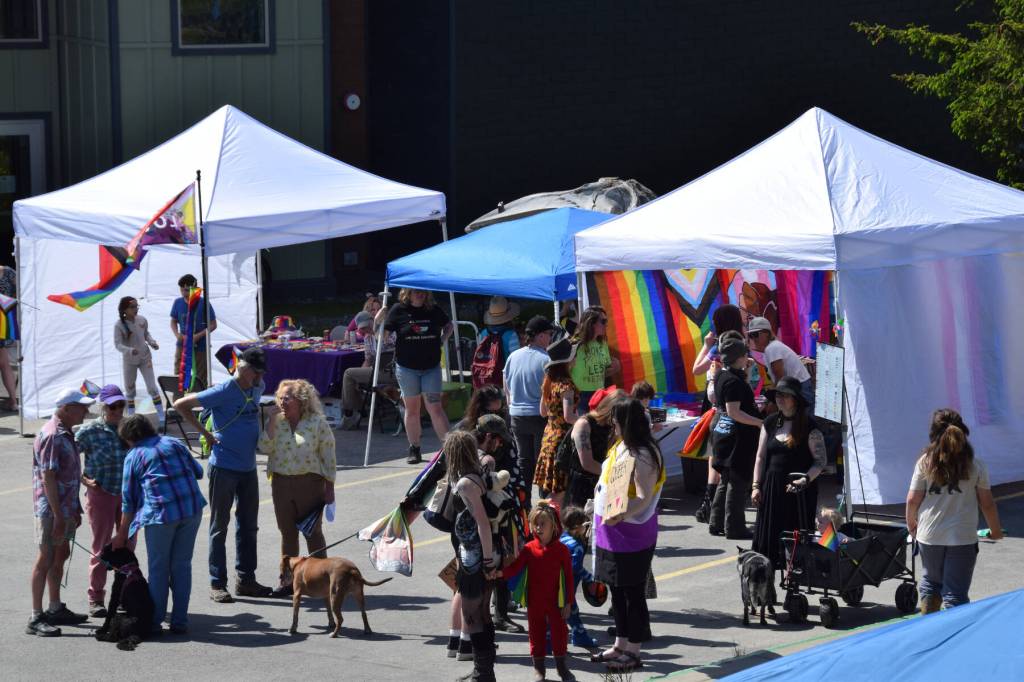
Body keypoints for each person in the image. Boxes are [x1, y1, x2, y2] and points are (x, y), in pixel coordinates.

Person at [174, 346, 272, 603]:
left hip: (248, 468)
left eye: (261, 372)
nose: (259, 377)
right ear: (245, 368)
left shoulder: (258, 386)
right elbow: (180, 405)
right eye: (256, 372)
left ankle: (246, 579)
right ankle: (218, 582)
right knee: (220, 526)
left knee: (249, 526)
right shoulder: (224, 390)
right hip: (224, 467)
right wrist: (205, 435)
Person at [590, 398, 665, 673]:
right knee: (617, 592)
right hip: (611, 530)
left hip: (630, 533)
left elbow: (644, 498)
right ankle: (620, 644)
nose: (613, 424)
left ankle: (634, 651)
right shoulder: (623, 445)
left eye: (617, 420)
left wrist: (621, 514)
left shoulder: (643, 454)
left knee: (632, 594)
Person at [113, 415, 206, 635]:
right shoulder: (174, 442)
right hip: (191, 508)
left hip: (161, 515)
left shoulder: (134, 455)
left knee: (158, 569)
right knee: (182, 566)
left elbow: (128, 500)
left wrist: (122, 534)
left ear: (130, 438)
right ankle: (180, 621)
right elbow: (199, 472)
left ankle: (154, 622)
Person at [906, 409, 1003, 613]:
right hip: (962, 537)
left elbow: (913, 499)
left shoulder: (924, 462)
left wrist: (911, 524)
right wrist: (995, 531)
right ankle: (953, 638)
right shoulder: (976, 465)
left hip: (930, 535)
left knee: (931, 584)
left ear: (933, 434)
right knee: (955, 595)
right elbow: (987, 503)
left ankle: (929, 627)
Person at [259, 379, 337, 598]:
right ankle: (287, 582)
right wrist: (271, 421)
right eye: (280, 397)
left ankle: (321, 579)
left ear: (301, 400)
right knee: (287, 533)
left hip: (310, 483)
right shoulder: (278, 422)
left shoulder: (317, 423)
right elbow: (264, 447)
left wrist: (329, 487)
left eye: (287, 398)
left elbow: (328, 456)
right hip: (281, 483)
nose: (282, 401)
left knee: (313, 533)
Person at [27, 388, 95, 637]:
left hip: (64, 508)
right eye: (81, 407)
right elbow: (48, 477)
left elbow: (68, 475)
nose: (87, 411)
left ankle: (55, 607)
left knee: (60, 555)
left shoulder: (66, 433)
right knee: (45, 558)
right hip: (50, 511)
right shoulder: (53, 435)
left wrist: (73, 509)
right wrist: (57, 515)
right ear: (66, 408)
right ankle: (35, 616)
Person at [750, 376, 827, 567]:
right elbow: (760, 457)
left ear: (796, 400)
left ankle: (794, 583)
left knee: (795, 541)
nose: (780, 399)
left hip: (798, 493)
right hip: (772, 490)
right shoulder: (768, 423)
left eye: (785, 395)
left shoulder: (810, 427)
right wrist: (756, 486)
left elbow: (820, 461)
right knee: (769, 539)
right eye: (778, 395)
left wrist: (805, 480)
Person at [500, 500, 576, 682]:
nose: (538, 528)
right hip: (535, 601)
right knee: (536, 635)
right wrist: (500, 573)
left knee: (560, 634)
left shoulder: (562, 550)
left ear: (553, 526)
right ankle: (539, 670)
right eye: (535, 523)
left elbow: (569, 578)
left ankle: (561, 668)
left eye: (543, 523)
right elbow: (515, 569)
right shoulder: (528, 549)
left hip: (556, 602)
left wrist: (568, 602)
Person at [76, 384, 132, 618]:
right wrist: (83, 479)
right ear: (102, 406)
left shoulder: (129, 428)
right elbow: (68, 457)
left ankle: (124, 595)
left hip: (128, 494)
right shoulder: (90, 431)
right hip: (101, 492)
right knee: (102, 546)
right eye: (113, 406)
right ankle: (96, 597)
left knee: (127, 546)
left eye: (121, 405)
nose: (118, 410)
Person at [380, 288, 454, 464]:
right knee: (412, 409)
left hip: (431, 367)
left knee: (435, 407)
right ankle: (414, 448)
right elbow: (383, 337)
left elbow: (449, 325)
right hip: (407, 368)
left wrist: (442, 340)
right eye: (415, 292)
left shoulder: (433, 309)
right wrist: (378, 321)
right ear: (408, 293)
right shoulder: (398, 310)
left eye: (423, 291)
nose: (420, 294)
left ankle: (450, 448)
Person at [447, 430, 499, 682]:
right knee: (483, 613)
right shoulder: (476, 475)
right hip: (478, 555)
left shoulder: (466, 483)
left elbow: (482, 524)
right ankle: (484, 670)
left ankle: (483, 673)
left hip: (475, 558)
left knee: (472, 614)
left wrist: (487, 562)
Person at [691, 304, 747, 525]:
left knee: (716, 453)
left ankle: (710, 502)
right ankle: (722, 503)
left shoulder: (721, 345)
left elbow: (696, 369)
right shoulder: (742, 343)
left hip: (717, 399)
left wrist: (705, 346)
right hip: (736, 397)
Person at [709, 333, 763, 539]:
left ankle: (716, 521)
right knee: (737, 482)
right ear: (739, 356)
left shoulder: (724, 375)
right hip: (736, 437)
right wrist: (759, 423)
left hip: (724, 432)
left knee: (726, 479)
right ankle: (735, 526)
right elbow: (734, 411)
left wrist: (746, 372)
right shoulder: (731, 381)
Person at [504, 315, 555, 508]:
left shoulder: (513, 356)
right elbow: (549, 392)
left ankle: (524, 504)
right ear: (540, 336)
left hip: (517, 415)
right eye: (549, 334)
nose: (550, 338)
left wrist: (513, 406)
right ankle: (544, 506)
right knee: (543, 460)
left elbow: (506, 387)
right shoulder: (546, 359)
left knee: (524, 461)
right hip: (538, 416)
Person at [534, 337, 579, 506]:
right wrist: (586, 419)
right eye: (573, 356)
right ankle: (544, 520)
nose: (575, 359)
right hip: (562, 440)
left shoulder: (549, 382)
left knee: (555, 490)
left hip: (548, 438)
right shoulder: (566, 386)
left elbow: (542, 412)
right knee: (559, 493)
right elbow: (568, 416)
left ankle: (547, 521)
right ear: (567, 361)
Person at [565, 388, 626, 509]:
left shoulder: (613, 425)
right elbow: (587, 463)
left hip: (605, 482)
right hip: (582, 486)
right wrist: (616, 475)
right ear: (610, 409)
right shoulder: (584, 424)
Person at [340, 311, 396, 430]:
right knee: (352, 377)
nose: (366, 329)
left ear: (373, 321)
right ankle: (358, 410)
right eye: (363, 328)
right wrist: (361, 376)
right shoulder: (368, 338)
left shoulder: (389, 333)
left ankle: (351, 414)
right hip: (377, 371)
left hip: (392, 371)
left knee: (348, 373)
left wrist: (378, 335)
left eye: (367, 326)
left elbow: (393, 351)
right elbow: (368, 359)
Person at [114, 296, 163, 421]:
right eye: (132, 307)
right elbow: (118, 344)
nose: (135, 309)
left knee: (152, 387)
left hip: (145, 358)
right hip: (129, 361)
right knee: (129, 389)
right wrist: (130, 350)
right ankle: (131, 417)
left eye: (137, 306)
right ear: (124, 309)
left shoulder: (142, 320)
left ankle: (161, 417)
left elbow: (146, 334)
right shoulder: (119, 325)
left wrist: (152, 342)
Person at [746, 316, 813, 407]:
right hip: (797, 386)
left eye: (756, 334)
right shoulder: (771, 347)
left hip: (799, 388)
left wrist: (773, 401)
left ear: (766, 333)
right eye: (751, 335)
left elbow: (779, 377)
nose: (753, 339)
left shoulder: (772, 348)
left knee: (803, 418)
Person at [170, 274, 217, 391]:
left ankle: (200, 400)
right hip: (182, 344)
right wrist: (178, 335)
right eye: (181, 289)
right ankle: (179, 400)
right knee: (179, 373)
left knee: (200, 375)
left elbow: (213, 324)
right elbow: (173, 321)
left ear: (193, 289)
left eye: (186, 290)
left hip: (200, 345)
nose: (183, 292)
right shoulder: (177, 302)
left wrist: (198, 336)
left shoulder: (203, 302)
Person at [559, 505, 598, 649]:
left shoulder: (561, 538)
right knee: (569, 612)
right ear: (577, 527)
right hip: (566, 587)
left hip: (555, 584)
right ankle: (578, 637)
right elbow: (574, 568)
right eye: (584, 525)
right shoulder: (577, 546)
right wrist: (588, 577)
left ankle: (577, 636)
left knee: (564, 613)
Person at [570, 306, 620, 409]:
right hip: (580, 395)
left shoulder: (602, 344)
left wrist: (615, 368)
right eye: (603, 321)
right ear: (591, 323)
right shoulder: (575, 344)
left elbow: (603, 372)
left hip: (599, 393)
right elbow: (563, 371)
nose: (606, 324)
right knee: (584, 424)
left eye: (606, 321)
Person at [477, 295, 521, 362]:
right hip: (505, 371)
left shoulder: (483, 333)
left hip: (486, 371)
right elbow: (516, 360)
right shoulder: (511, 335)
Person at [0, 263, 19, 411]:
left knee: (4, 363)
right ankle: (13, 401)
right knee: (5, 363)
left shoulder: (8, 272)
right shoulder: (8, 272)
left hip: (3, 322)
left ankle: (13, 401)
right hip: (4, 322)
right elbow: (22, 291)